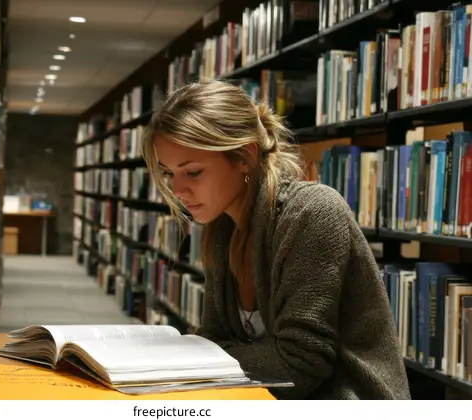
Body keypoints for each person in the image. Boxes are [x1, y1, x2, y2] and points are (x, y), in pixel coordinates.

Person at [140, 79, 411, 400]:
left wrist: (204, 357)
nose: (179, 191)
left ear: (245, 156)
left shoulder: (313, 211)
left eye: (193, 172)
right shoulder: (221, 227)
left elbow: (301, 363)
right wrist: (215, 354)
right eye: (169, 173)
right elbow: (212, 338)